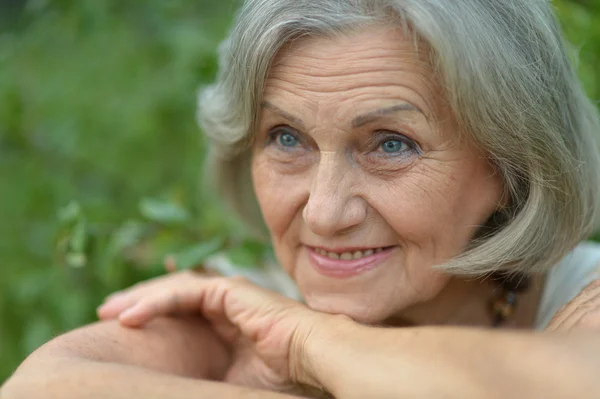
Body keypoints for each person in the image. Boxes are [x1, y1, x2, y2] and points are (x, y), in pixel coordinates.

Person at [4, 0, 600, 397]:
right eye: (286, 138)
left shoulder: (584, 296)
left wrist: (309, 341)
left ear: (513, 163)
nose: (322, 212)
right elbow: (41, 388)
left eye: (391, 145)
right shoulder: (241, 310)